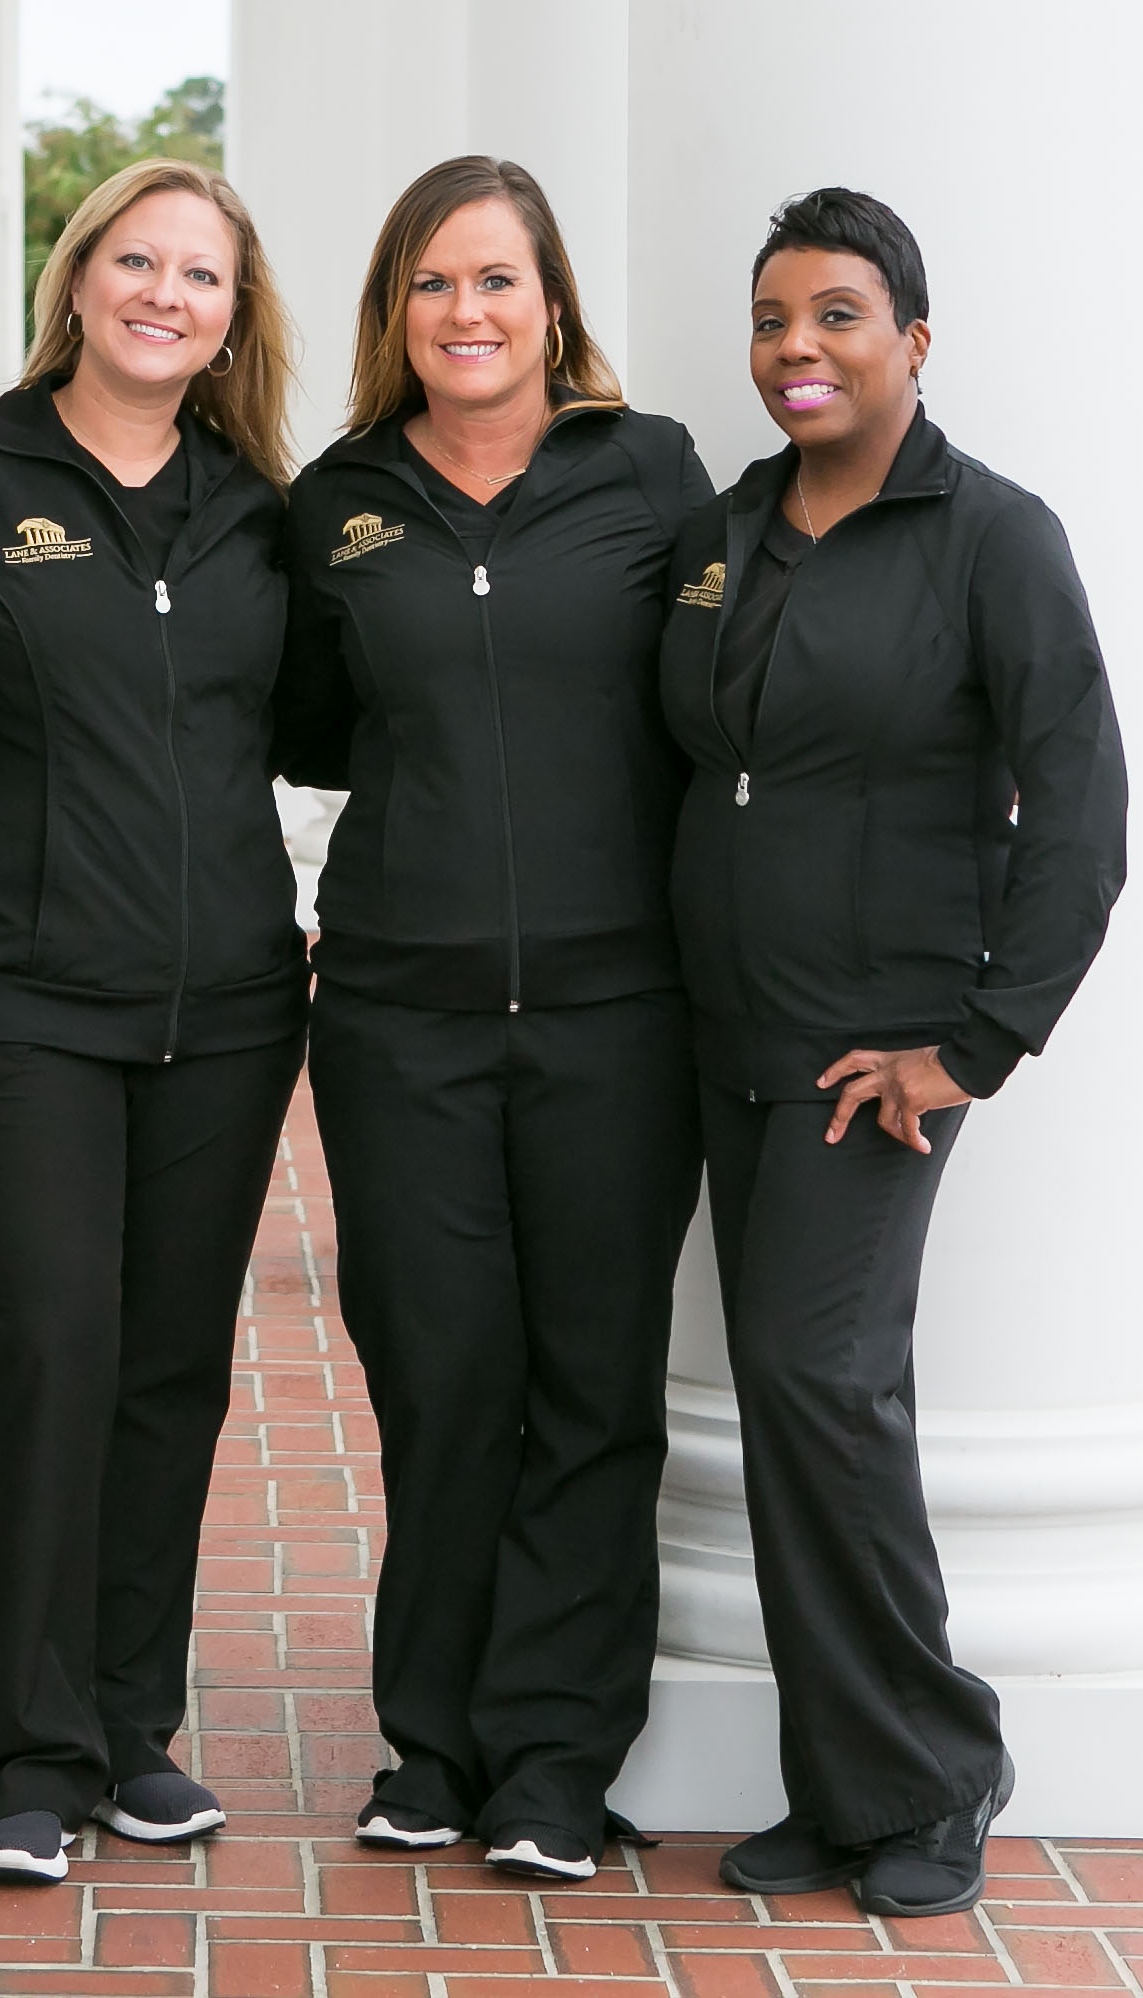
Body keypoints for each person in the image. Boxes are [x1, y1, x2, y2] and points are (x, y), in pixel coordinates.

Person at [660, 187, 1126, 1917]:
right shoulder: (731, 527)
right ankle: (847, 1781)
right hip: (727, 1037)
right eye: (773, 318)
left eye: (838, 315)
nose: (799, 347)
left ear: (913, 341)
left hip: (874, 1060)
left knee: (815, 1382)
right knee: (807, 1407)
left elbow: (1081, 810)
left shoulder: (993, 535)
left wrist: (973, 1044)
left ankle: (935, 1766)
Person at [272, 156, 712, 1883]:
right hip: (401, 1017)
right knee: (441, 1377)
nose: (467, 312)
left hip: (620, 1016)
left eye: (497, 280)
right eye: (434, 282)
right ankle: (433, 1745)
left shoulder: (648, 471)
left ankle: (553, 1762)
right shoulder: (340, 499)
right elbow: (311, 721)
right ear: (397, 309)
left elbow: (713, 700)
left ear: (552, 303)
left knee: (594, 1387)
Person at [0, 158, 305, 1885]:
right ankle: (24, 1756)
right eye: (138, 259)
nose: (163, 294)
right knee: (50, 1347)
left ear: (232, 319)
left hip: (228, 1014)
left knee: (168, 1367)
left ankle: (130, 1726)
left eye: (200, 275)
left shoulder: (260, 512)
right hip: (8, 1006)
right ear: (79, 276)